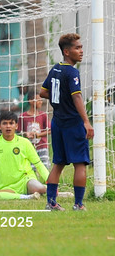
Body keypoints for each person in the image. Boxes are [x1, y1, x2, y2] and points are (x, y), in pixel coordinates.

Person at [40, 33, 94, 211]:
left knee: (59, 163)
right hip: (73, 123)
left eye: (81, 47)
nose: (81, 51)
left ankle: (51, 203)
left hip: (57, 122)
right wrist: (86, 122)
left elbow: (43, 92)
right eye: (77, 48)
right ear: (66, 51)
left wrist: (60, 99)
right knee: (80, 163)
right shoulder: (72, 72)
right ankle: (78, 204)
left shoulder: (55, 69)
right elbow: (77, 96)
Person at [0, 111, 48, 201]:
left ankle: (50, 189)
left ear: (16, 126)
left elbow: (38, 164)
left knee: (38, 188)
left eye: (11, 123)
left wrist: (49, 181)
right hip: (7, 187)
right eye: (5, 123)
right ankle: (28, 197)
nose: (8, 126)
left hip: (26, 181)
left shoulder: (24, 142)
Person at [18, 92, 51, 169]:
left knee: (44, 168)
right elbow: (19, 132)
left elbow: (49, 130)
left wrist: (38, 135)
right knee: (31, 169)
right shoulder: (22, 116)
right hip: (29, 147)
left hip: (42, 146)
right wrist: (26, 134)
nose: (40, 102)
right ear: (30, 101)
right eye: (38, 100)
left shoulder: (43, 115)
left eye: (41, 100)